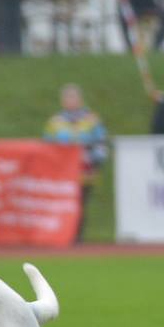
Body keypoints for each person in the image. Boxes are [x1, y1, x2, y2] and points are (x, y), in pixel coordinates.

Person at [42, 84, 108, 242]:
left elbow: (101, 144)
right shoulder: (55, 122)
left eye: (73, 97)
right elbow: (46, 147)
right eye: (67, 98)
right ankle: (63, 235)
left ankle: (78, 238)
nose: (70, 101)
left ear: (80, 99)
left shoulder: (91, 120)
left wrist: (94, 160)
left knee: (80, 205)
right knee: (64, 205)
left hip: (84, 172)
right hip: (62, 174)